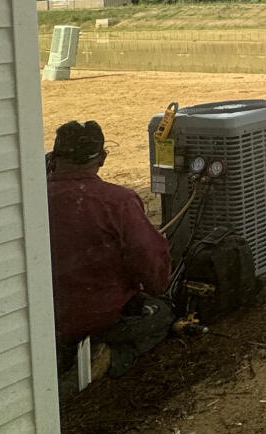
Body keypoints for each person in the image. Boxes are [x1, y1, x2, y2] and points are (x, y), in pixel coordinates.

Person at [46, 119, 173, 383]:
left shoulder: (29, 198)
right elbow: (151, 267)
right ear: (101, 158)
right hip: (102, 319)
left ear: (54, 157)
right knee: (162, 315)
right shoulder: (118, 202)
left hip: (47, 320)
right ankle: (111, 357)